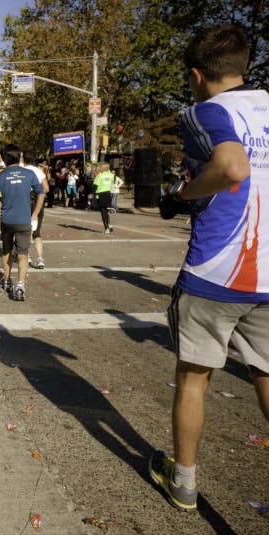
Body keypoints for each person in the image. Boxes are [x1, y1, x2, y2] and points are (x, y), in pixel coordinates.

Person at [149, 24, 269, 513]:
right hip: (268, 274)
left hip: (217, 271)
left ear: (197, 76)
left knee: (193, 377)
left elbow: (232, 166)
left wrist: (180, 196)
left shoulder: (206, 111)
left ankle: (184, 482)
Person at [0, 144, 45, 301]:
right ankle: (20, 283)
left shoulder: (0, 176)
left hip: (7, 221)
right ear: (19, 157)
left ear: (4, 159)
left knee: (6, 250)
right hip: (24, 221)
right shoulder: (28, 174)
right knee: (23, 253)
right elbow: (41, 194)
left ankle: (7, 280)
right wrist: (35, 214)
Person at [22, 151, 49, 269]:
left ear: (23, 160)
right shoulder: (39, 171)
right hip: (38, 203)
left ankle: (26, 255)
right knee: (37, 232)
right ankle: (40, 258)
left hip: (24, 203)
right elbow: (46, 189)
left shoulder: (21, 171)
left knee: (25, 232)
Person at [93, 162, 116, 233]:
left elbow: (95, 186)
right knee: (106, 210)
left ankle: (106, 228)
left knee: (103, 211)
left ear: (102, 168)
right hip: (108, 193)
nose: (99, 168)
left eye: (100, 167)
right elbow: (113, 182)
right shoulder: (112, 175)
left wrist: (93, 194)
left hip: (100, 194)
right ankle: (109, 224)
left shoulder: (100, 175)